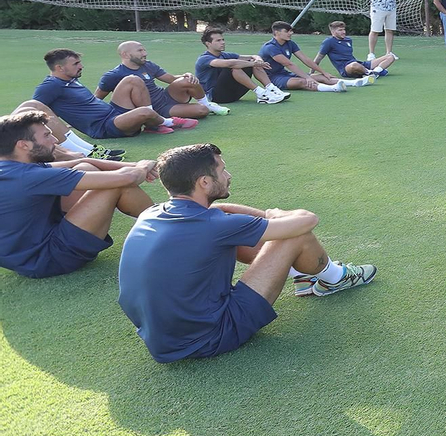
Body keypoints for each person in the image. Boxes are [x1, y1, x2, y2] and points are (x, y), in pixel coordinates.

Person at [117, 143, 376, 363]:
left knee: (241, 233)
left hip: (161, 340)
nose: (228, 175)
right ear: (204, 182)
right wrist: (274, 215)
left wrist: (261, 218)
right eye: (222, 170)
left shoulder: (153, 212)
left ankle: (303, 275)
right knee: (294, 236)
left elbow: (222, 212)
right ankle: (334, 277)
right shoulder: (214, 225)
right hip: (209, 338)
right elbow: (308, 220)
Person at [0, 110, 154, 278]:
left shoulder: (12, 169)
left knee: (85, 169)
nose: (55, 140)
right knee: (115, 185)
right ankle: (168, 225)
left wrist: (136, 165)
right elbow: (128, 178)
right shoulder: (31, 176)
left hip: (25, 257)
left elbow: (82, 161)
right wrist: (143, 167)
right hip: (48, 259)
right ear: (24, 145)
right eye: (46, 136)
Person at [33, 49, 176, 139]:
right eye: (76, 64)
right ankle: (167, 121)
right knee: (144, 112)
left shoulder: (70, 80)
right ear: (60, 68)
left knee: (132, 80)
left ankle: (153, 125)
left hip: (114, 113)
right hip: (105, 127)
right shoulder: (50, 86)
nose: (81, 66)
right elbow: (35, 111)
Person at [95, 41, 220, 121]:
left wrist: (186, 75)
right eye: (140, 51)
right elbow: (96, 99)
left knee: (188, 81)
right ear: (126, 55)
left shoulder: (148, 65)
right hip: (157, 109)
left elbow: (171, 79)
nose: (145, 53)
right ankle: (157, 120)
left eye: (144, 50)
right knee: (202, 111)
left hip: (165, 97)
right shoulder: (113, 75)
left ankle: (208, 104)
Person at [195, 28, 288, 106]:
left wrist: (258, 60)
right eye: (218, 40)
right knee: (236, 66)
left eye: (223, 40)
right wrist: (254, 64)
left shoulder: (225, 55)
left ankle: (271, 89)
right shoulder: (204, 59)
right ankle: (262, 94)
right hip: (214, 97)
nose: (223, 42)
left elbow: (252, 56)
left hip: (234, 94)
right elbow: (229, 64)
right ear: (208, 44)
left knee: (250, 62)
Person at [259, 22, 349, 93]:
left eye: (291, 31)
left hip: (284, 73)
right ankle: (333, 88)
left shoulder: (290, 43)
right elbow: (288, 64)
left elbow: (305, 59)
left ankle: (354, 82)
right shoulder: (270, 47)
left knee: (320, 76)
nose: (291, 33)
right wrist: (307, 77)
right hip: (272, 78)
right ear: (277, 33)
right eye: (287, 31)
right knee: (303, 81)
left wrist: (324, 72)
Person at [314, 21, 395, 82]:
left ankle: (375, 72)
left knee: (390, 56)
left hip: (359, 64)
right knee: (354, 65)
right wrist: (311, 73)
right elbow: (318, 59)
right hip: (346, 68)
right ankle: (371, 72)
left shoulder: (348, 40)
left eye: (344, 29)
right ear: (333, 32)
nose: (344, 32)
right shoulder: (328, 42)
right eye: (340, 30)